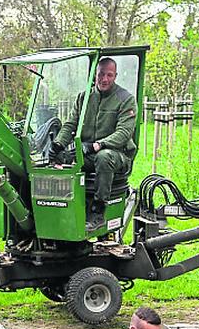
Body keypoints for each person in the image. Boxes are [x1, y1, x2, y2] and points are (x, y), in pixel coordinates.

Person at [52, 56, 138, 225]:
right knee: (62, 159)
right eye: (101, 74)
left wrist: (97, 145)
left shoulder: (126, 99)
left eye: (109, 75)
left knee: (104, 157)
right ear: (95, 75)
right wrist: (57, 145)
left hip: (117, 155)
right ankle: (63, 211)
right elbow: (71, 124)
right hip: (89, 153)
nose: (104, 79)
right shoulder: (84, 98)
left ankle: (98, 211)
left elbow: (123, 133)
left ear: (115, 76)